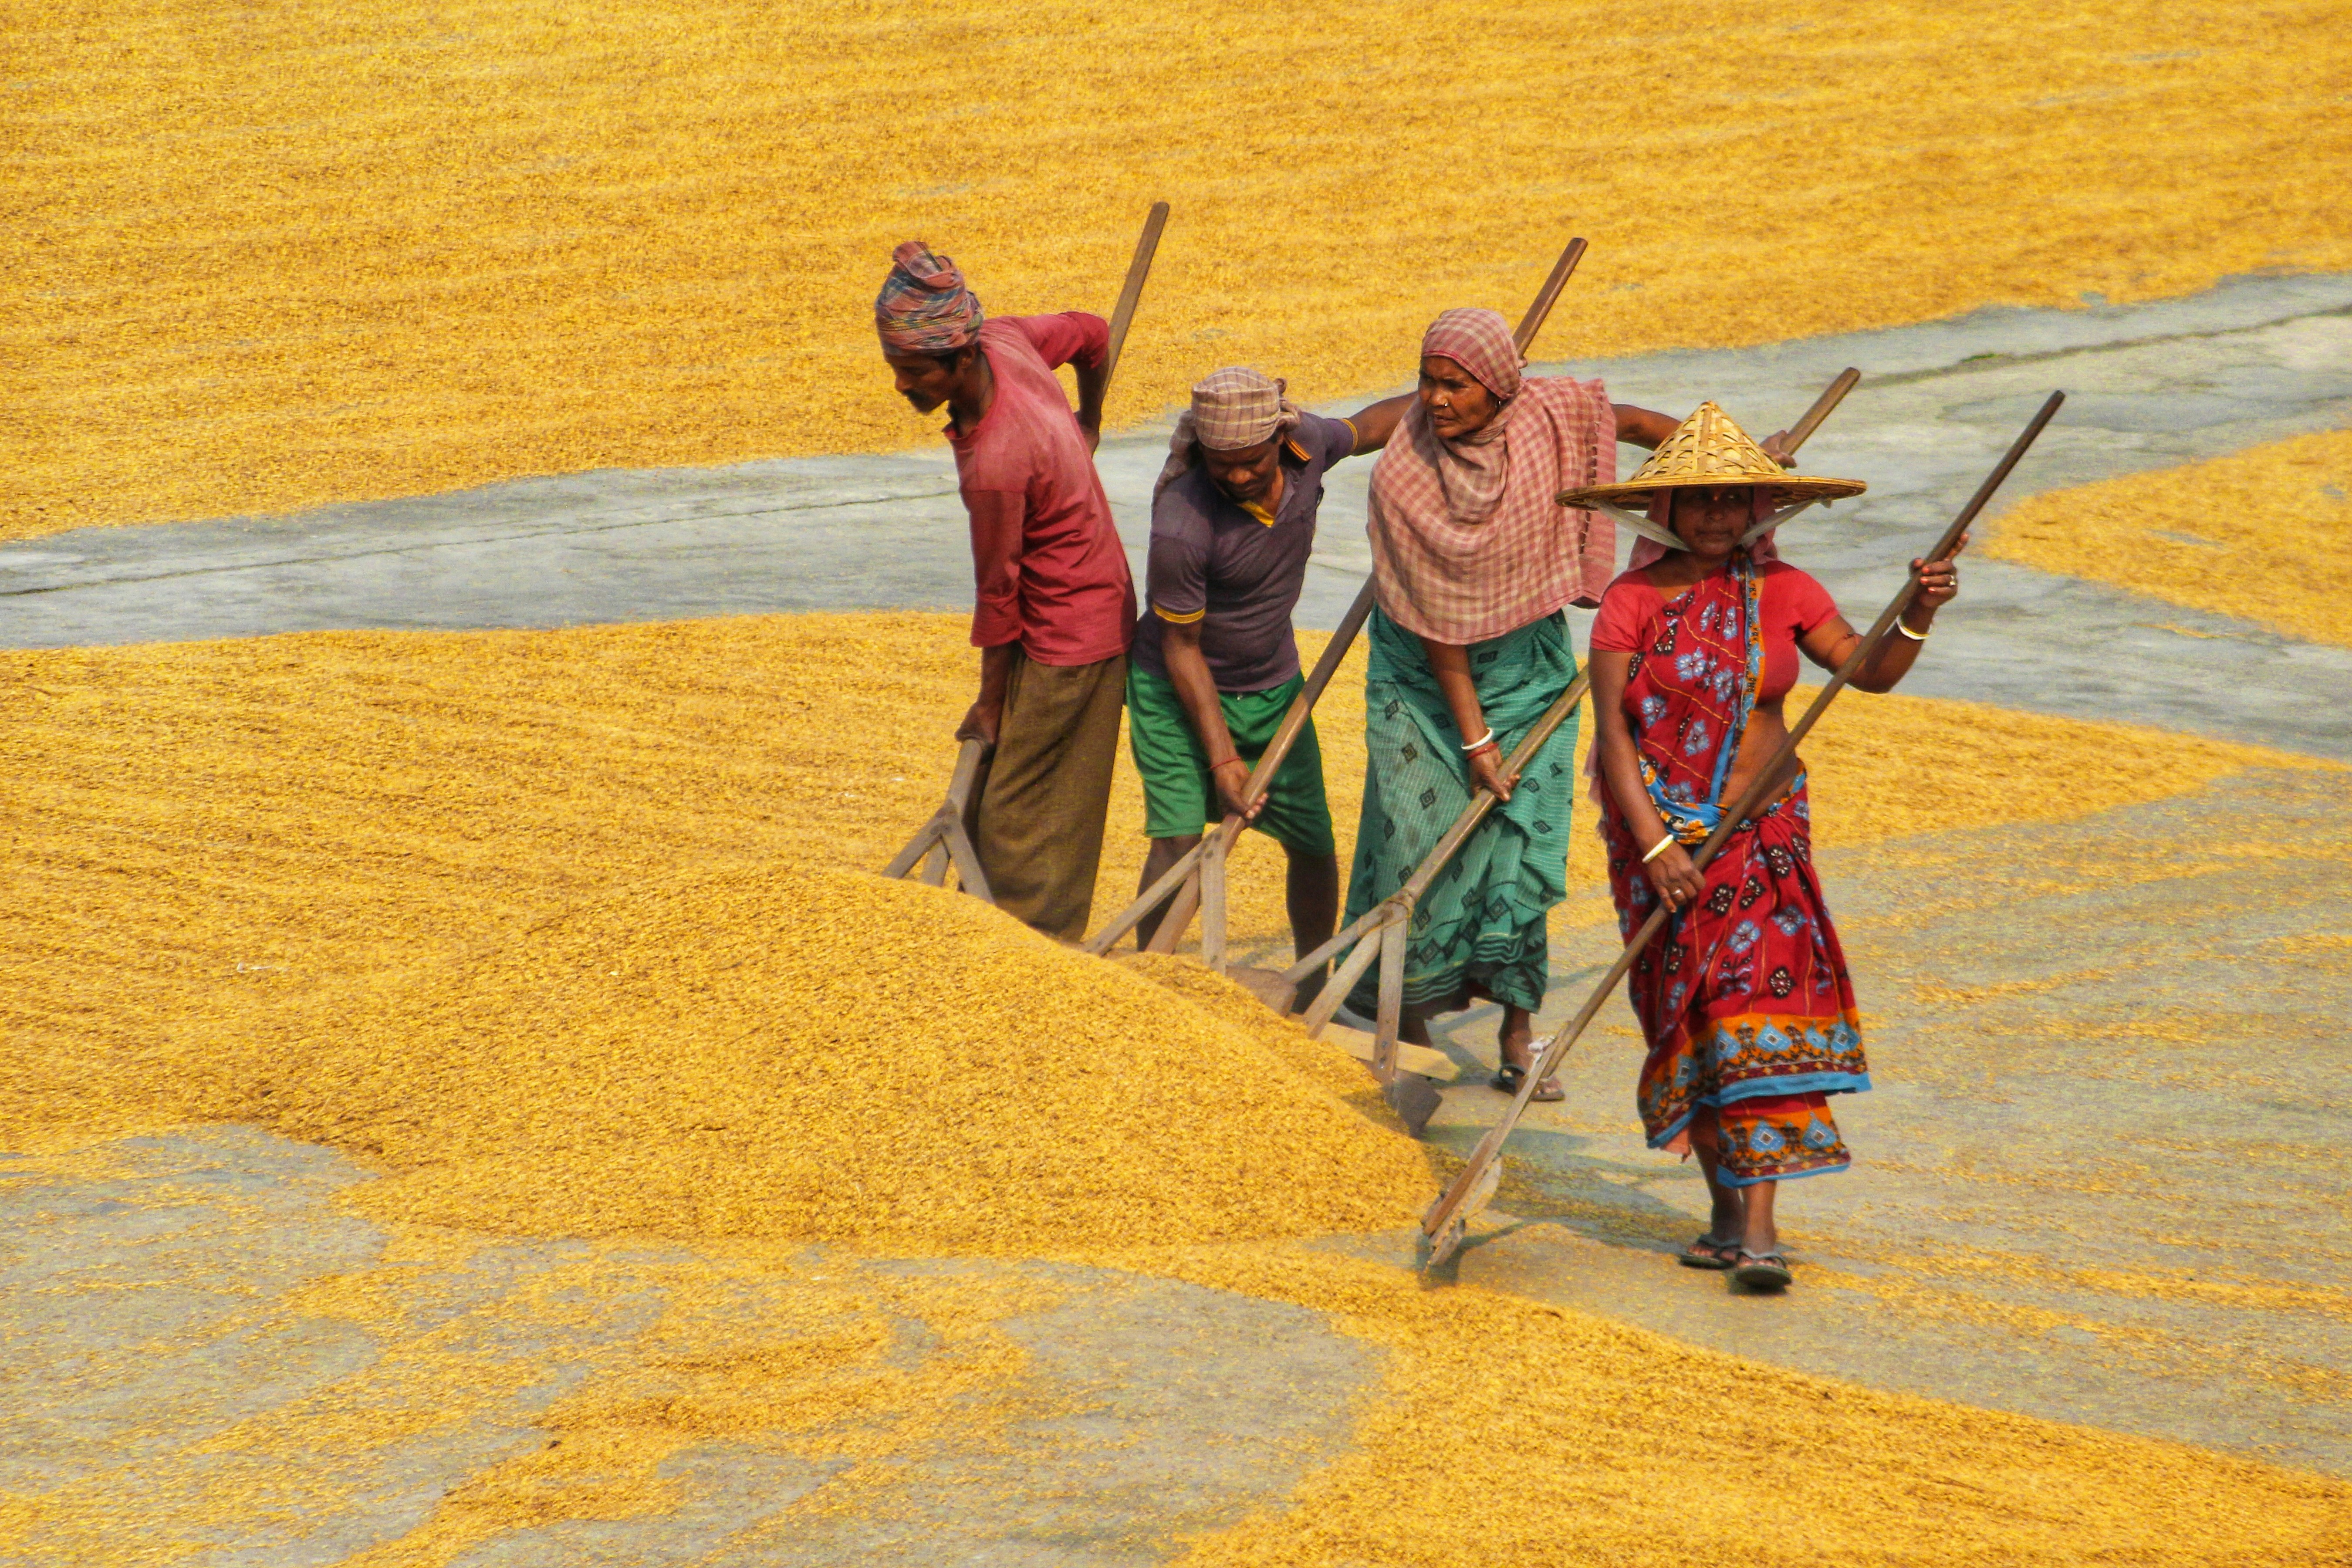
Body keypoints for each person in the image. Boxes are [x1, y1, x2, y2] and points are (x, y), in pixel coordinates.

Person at [1565, 402, 1959, 1292]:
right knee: (1695, 1027)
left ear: (1756, 509)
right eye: (1697, 500)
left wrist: (1919, 611)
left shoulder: (1787, 593)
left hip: (1765, 843)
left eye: (1732, 500)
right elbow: (1615, 739)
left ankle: (1760, 1235)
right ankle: (1723, 1210)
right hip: (1664, 855)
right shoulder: (1631, 601)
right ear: (1663, 509)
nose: (1714, 516)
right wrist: (1657, 842)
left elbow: (1870, 673)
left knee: (1756, 1020)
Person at [1348, 307, 1686, 1098]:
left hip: (1527, 668)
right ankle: (1411, 1024)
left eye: (1454, 385)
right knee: (1414, 842)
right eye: (1427, 381)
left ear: (1500, 389)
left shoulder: (1547, 415)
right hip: (1424, 681)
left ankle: (1516, 1033)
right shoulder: (1404, 475)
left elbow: (1633, 422)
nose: (1433, 400)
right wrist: (1475, 741)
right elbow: (1440, 628)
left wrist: (1726, 461)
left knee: (1517, 846)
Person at [875, 240, 1134, 943]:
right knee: (1006, 799)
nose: (903, 385)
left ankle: (1031, 952)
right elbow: (1094, 335)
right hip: (1077, 599)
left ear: (960, 359)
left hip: (1073, 630)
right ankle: (992, 937)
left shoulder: (996, 461)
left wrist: (990, 705)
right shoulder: (1008, 340)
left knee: (1024, 815)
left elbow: (1000, 595)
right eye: (895, 368)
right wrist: (1090, 419)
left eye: (914, 371)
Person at [1128, 368, 1412, 983]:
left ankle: (1315, 977)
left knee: (1312, 841)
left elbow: (1370, 426)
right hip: (1176, 688)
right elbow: (1182, 647)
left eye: (1250, 461)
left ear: (1279, 442)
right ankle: (1153, 987)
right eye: (1220, 463)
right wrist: (1224, 757)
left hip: (1272, 682)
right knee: (1178, 840)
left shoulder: (1310, 445)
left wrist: (1438, 405)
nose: (1236, 476)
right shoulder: (1182, 523)